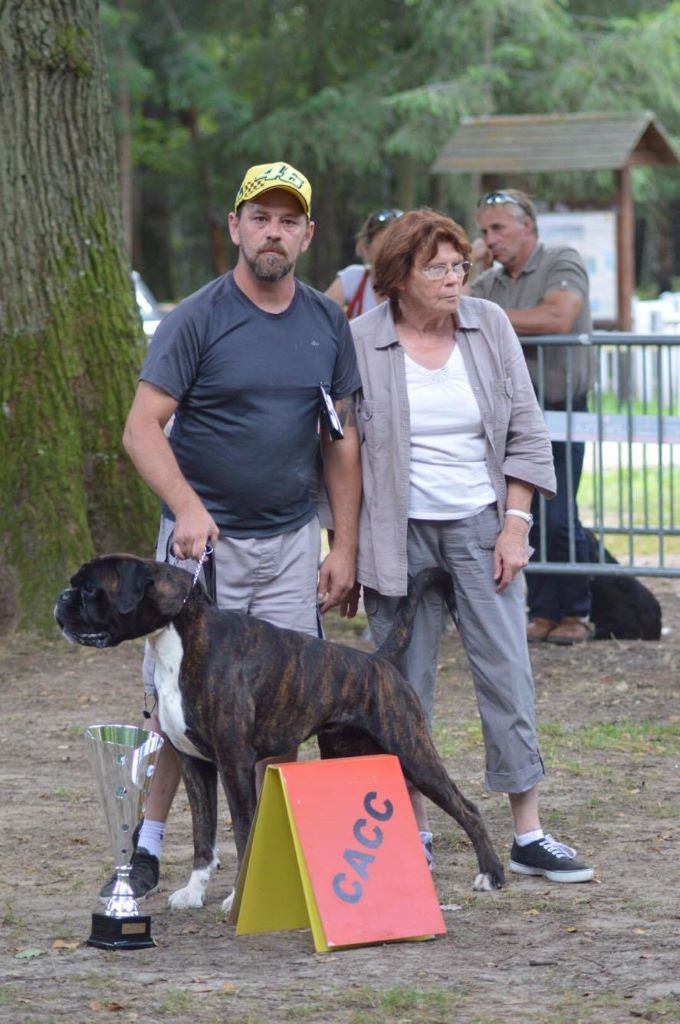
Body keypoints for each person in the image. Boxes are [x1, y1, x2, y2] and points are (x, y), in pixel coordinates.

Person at [101, 160, 362, 900]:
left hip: (287, 544)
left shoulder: (326, 321)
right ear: (234, 228)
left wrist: (342, 543)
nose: (272, 231)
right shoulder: (197, 317)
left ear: (307, 234)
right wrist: (186, 506)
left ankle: (276, 869)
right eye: (260, 217)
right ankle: (145, 844)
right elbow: (141, 428)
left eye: (288, 220)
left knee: (285, 705)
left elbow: (342, 440)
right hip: (198, 554)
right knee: (179, 710)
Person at [350, 208, 593, 883]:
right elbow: (340, 449)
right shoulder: (361, 340)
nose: (456, 279)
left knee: (508, 672)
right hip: (396, 534)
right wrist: (343, 546)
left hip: (482, 525)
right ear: (399, 276)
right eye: (439, 269)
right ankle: (412, 831)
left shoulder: (488, 329)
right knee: (401, 688)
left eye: (460, 266)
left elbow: (525, 428)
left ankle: (529, 831)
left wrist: (516, 523)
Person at [469, 189, 596, 645]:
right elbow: (453, 303)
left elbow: (558, 316)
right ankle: (542, 609)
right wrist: (473, 258)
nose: (491, 239)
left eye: (497, 228)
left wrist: (491, 318)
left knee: (559, 513)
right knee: (521, 514)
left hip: (560, 407)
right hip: (513, 412)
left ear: (528, 226)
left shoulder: (561, 260)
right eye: (484, 231)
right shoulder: (493, 279)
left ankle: (575, 610)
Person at [325, 208, 403, 318]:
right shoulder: (353, 279)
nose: (395, 250)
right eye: (386, 243)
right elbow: (319, 319)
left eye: (401, 243)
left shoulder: (416, 284)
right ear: (366, 249)